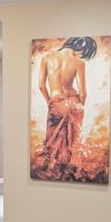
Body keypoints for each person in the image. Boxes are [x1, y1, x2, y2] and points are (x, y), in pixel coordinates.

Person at [38, 36, 97, 171]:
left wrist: (50, 102)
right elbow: (83, 93)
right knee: (74, 142)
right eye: (84, 52)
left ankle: (52, 170)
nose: (82, 55)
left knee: (52, 140)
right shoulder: (78, 62)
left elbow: (41, 86)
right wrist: (80, 107)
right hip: (74, 103)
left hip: (56, 102)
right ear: (81, 47)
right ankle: (73, 172)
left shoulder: (47, 57)